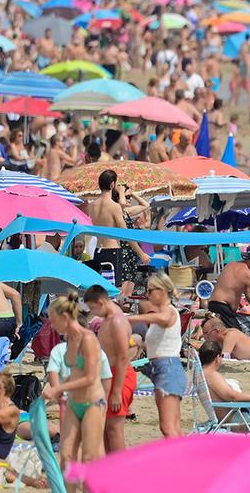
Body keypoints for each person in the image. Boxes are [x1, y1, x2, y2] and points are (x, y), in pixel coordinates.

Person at [42, 294, 106, 465]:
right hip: (74, 401)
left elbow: (91, 377)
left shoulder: (88, 339)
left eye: (53, 321)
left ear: (65, 317)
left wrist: (57, 388)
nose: (52, 327)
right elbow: (75, 372)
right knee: (66, 456)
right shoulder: (70, 341)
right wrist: (58, 389)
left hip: (93, 402)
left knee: (89, 457)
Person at [128, 273, 185, 438]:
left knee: (169, 427)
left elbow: (164, 318)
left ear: (161, 291)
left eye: (150, 290)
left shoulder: (168, 311)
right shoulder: (163, 313)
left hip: (168, 368)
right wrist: (137, 343)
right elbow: (159, 343)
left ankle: (181, 462)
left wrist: (132, 319)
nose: (147, 295)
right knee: (170, 426)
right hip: (163, 368)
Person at [82, 285, 134, 453]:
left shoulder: (116, 320)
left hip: (120, 375)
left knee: (114, 429)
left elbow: (123, 356)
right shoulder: (109, 319)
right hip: (110, 375)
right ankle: (110, 470)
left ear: (102, 302)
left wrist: (117, 391)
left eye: (93, 308)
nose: (93, 313)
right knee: (105, 427)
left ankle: (120, 473)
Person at [85, 169, 149, 298]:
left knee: (100, 289)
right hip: (112, 251)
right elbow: (124, 233)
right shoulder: (114, 206)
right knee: (114, 291)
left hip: (98, 251)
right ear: (112, 184)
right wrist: (141, 253)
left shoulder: (91, 206)